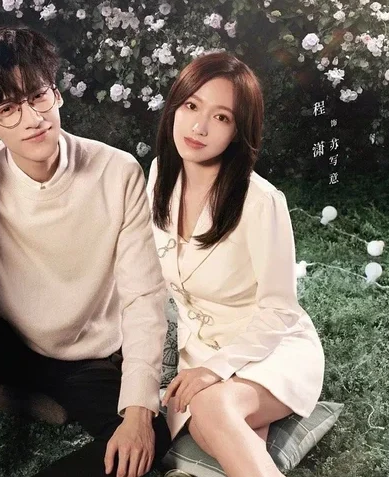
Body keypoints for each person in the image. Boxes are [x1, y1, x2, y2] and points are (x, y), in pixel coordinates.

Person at [0, 26, 171, 477]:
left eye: (38, 96)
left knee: (152, 437)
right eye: (8, 109)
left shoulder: (117, 171)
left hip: (87, 358)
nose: (33, 119)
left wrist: (140, 413)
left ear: (57, 94)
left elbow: (144, 296)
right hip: (7, 340)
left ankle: (25, 398)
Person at [146, 51, 325, 477]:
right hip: (200, 349)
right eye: (191, 106)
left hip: (271, 347)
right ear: (174, 107)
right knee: (211, 427)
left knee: (211, 408)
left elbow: (279, 309)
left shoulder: (260, 201)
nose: (199, 127)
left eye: (221, 117)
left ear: (237, 132)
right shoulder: (159, 176)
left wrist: (215, 370)